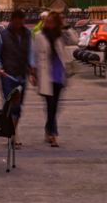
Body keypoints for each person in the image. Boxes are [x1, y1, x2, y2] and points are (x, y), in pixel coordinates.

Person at [26, 10, 75, 147]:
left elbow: (75, 40)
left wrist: (65, 26)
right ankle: (54, 135)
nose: (50, 24)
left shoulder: (61, 34)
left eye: (53, 22)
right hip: (45, 75)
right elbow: (34, 55)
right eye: (48, 22)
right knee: (51, 105)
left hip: (59, 75)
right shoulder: (39, 35)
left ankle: (48, 128)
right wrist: (33, 73)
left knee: (55, 107)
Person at [0, 9, 33, 101]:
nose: (19, 26)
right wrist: (0, 68)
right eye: (16, 23)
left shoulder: (27, 34)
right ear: (11, 20)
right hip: (8, 75)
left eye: (21, 23)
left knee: (18, 105)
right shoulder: (2, 35)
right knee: (10, 104)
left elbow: (31, 53)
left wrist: (32, 71)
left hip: (22, 75)